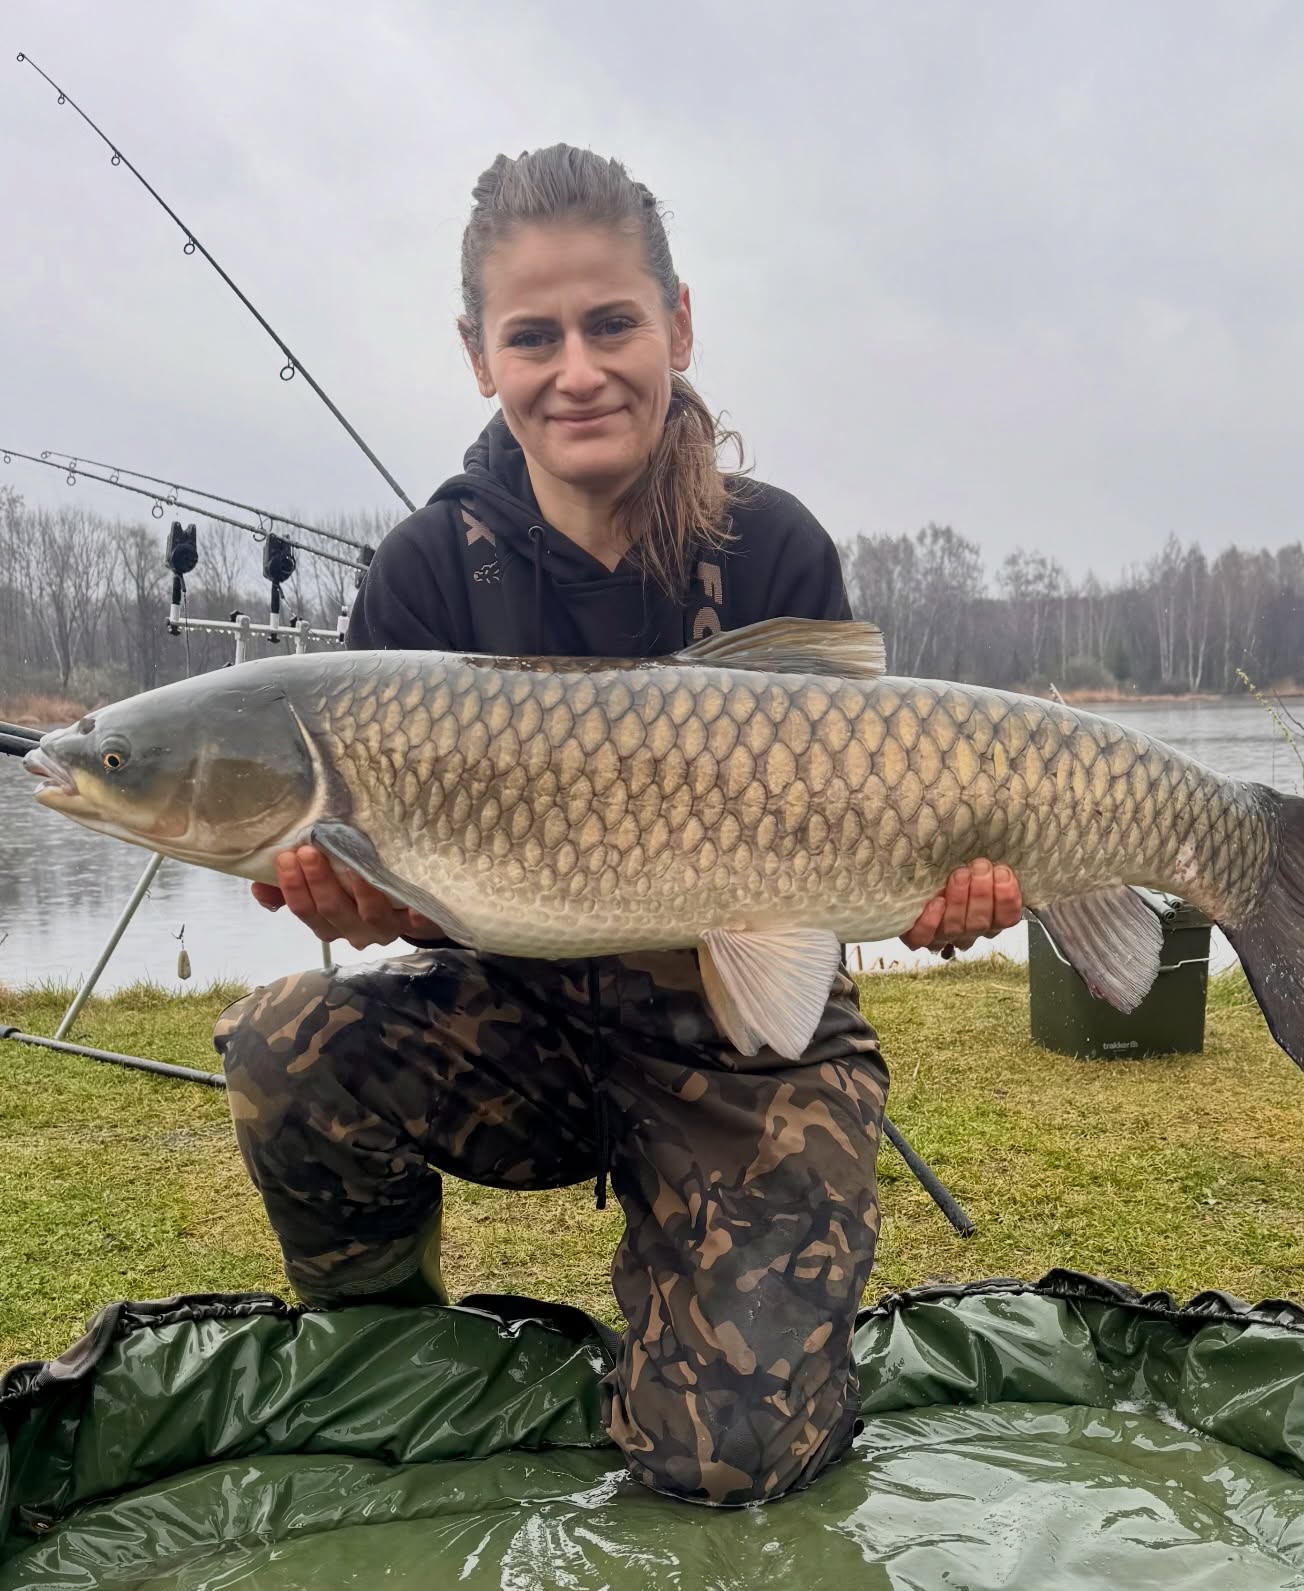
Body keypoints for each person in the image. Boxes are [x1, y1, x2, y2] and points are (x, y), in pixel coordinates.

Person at [215, 145, 1022, 1509]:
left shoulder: (772, 548)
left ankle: (703, 1316)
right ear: (479, 355)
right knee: (285, 1047)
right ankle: (386, 1356)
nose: (576, 371)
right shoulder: (425, 573)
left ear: (679, 327)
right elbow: (428, 910)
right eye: (533, 336)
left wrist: (943, 891)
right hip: (519, 1016)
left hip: (744, 1040)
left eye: (612, 325)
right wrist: (374, 906)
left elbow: (854, 841)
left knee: (732, 1462)